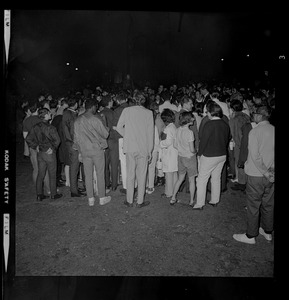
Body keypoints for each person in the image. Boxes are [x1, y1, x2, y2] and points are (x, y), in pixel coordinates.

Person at [233, 105, 274, 244]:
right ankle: (268, 232)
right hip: (271, 174)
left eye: (254, 114)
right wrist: (271, 171)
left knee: (253, 205)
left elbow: (255, 157)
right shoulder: (273, 129)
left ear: (259, 116)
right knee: (268, 204)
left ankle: (251, 235)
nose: (253, 116)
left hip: (257, 175)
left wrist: (265, 172)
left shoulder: (255, 132)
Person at [116, 90, 154, 208]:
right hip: (143, 148)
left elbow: (119, 127)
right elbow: (150, 134)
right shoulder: (148, 113)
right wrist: (150, 150)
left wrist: (127, 136)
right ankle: (140, 201)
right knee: (142, 175)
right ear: (144, 100)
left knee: (130, 174)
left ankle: (129, 200)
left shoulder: (126, 111)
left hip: (130, 147)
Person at [73, 98, 111, 206]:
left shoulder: (77, 120)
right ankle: (102, 198)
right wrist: (105, 124)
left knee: (88, 175)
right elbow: (105, 134)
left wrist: (79, 152)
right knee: (100, 174)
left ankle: (90, 199)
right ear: (93, 107)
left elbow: (76, 139)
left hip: (84, 151)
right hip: (96, 150)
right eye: (96, 107)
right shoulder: (95, 119)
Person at [193, 101, 230, 210]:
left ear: (211, 113)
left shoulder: (209, 124)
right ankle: (214, 200)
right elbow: (227, 138)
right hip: (222, 155)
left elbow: (203, 141)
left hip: (209, 155)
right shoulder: (225, 123)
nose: (206, 114)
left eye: (207, 112)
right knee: (216, 178)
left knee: (202, 180)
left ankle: (199, 203)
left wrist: (199, 154)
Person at [26, 108, 62, 201]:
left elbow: (28, 139)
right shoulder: (51, 128)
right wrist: (53, 148)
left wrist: (35, 146)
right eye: (49, 113)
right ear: (45, 115)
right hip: (49, 154)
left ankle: (39, 194)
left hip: (40, 153)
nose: (50, 114)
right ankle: (53, 194)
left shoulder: (35, 127)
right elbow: (57, 140)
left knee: (40, 174)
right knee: (52, 174)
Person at [170, 111, 198, 206]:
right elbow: (191, 149)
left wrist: (182, 150)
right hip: (190, 158)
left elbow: (174, 145)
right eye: (192, 118)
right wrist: (195, 151)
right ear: (188, 120)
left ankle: (173, 198)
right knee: (192, 180)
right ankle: (191, 201)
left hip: (180, 157)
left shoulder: (177, 130)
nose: (193, 119)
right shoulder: (190, 133)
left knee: (180, 179)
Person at [23, 101, 50, 194]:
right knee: (45, 168)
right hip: (42, 147)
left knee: (36, 169)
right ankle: (48, 189)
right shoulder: (40, 119)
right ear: (38, 109)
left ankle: (38, 190)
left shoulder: (26, 120)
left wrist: (33, 145)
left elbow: (25, 137)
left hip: (33, 148)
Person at [62, 97, 86, 197]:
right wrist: (74, 143)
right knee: (74, 167)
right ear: (75, 104)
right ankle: (74, 191)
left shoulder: (69, 113)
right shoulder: (69, 114)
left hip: (72, 142)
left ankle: (75, 187)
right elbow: (71, 130)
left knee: (75, 166)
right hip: (73, 143)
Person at [229, 99, 251, 190]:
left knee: (240, 162)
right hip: (248, 141)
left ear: (232, 108)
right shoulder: (246, 116)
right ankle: (245, 180)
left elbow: (234, 134)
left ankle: (242, 183)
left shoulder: (234, 119)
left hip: (239, 144)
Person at [99, 95, 118, 191]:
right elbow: (115, 126)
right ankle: (114, 184)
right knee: (114, 163)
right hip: (113, 140)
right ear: (109, 102)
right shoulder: (112, 112)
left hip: (104, 140)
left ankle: (106, 183)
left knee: (105, 163)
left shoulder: (100, 113)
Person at [112, 91, 129, 194]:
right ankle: (134, 184)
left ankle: (126, 186)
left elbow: (115, 126)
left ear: (118, 101)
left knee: (124, 163)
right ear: (126, 99)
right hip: (133, 137)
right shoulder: (132, 108)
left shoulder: (117, 110)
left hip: (121, 138)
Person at [159, 109, 178, 199]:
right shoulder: (173, 126)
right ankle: (174, 191)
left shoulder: (168, 128)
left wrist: (160, 144)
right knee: (174, 174)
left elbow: (168, 141)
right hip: (173, 153)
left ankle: (168, 193)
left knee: (168, 175)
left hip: (169, 153)